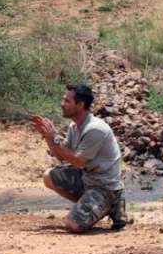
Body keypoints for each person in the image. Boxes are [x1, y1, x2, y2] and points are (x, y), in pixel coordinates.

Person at [31, 84, 129, 233]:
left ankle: (111, 203)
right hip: (87, 178)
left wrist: (55, 138)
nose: (62, 104)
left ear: (81, 104)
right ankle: (97, 208)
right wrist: (48, 137)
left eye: (67, 101)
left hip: (103, 186)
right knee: (48, 176)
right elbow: (62, 157)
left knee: (73, 225)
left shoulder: (95, 129)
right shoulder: (74, 126)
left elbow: (78, 161)